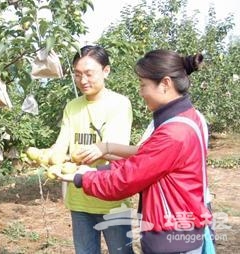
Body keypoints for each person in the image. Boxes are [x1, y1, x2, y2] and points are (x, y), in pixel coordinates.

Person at [58, 49, 213, 254]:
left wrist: (82, 178)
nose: (141, 92)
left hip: (172, 238)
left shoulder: (173, 133)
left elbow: (127, 179)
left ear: (165, 83)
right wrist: (97, 171)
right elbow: (142, 161)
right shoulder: (188, 117)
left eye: (143, 85)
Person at [50, 45, 134, 254]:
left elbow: (119, 151)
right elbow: (62, 144)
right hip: (79, 198)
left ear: (106, 71)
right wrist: (48, 157)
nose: (83, 80)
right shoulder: (72, 106)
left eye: (89, 74)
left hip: (111, 198)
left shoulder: (119, 104)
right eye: (77, 75)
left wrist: (101, 150)